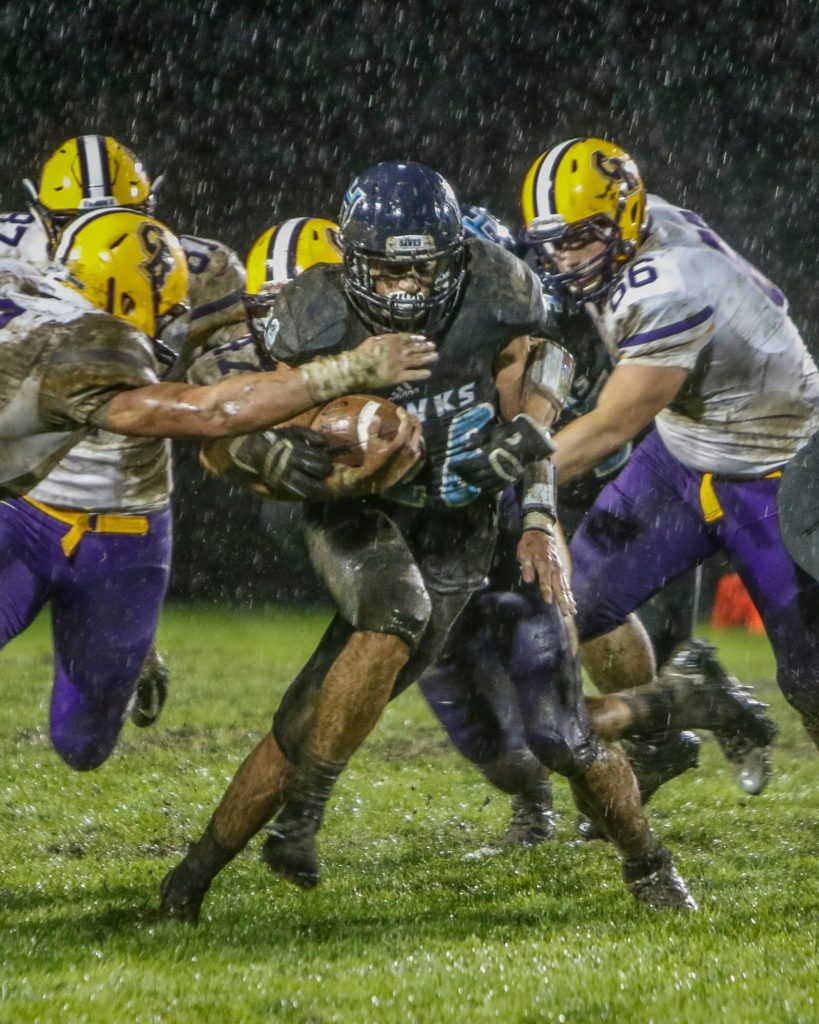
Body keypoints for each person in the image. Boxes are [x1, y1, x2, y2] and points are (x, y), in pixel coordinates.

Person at [158, 159, 726, 923]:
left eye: (421, 268)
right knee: (332, 684)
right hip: (372, 514)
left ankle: (648, 862)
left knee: (559, 730)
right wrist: (279, 452)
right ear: (349, 256)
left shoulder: (497, 287)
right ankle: (196, 878)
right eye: (386, 271)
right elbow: (226, 434)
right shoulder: (308, 315)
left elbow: (542, 368)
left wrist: (532, 503)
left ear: (454, 254)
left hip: (467, 518)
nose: (403, 290)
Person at [0, 206, 437, 771]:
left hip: (95, 515)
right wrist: (348, 371)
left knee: (83, 745)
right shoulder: (81, 349)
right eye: (167, 309)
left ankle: (118, 649)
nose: (175, 324)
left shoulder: (27, 286)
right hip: (22, 507)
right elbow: (208, 413)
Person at [519, 136, 817, 753]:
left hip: (777, 470)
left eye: (580, 239)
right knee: (578, 605)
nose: (567, 260)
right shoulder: (641, 225)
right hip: (680, 453)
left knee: (812, 679)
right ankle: (661, 740)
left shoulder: (667, 283)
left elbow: (610, 427)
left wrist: (510, 484)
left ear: (626, 216)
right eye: (555, 243)